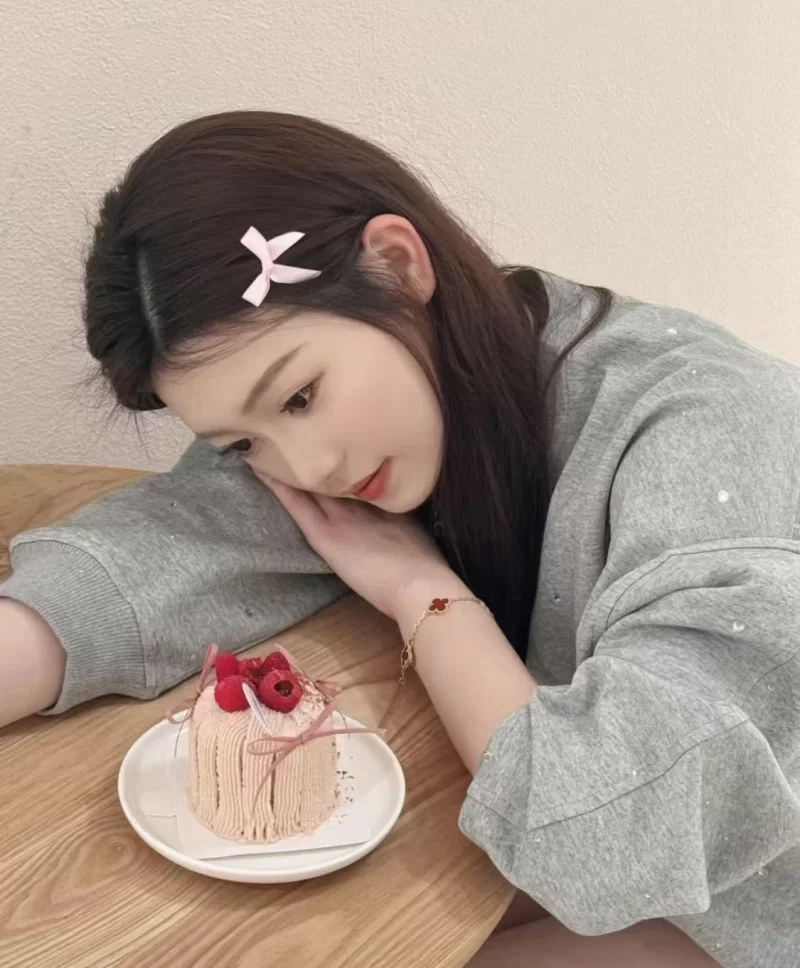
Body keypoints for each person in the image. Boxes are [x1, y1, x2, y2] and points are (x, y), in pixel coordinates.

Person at [1, 111, 798, 968]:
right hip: (571, 851)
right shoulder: (426, 393)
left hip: (743, 908)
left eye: (300, 397)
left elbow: (610, 838)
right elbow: (190, 534)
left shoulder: (706, 429)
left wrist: (424, 593)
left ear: (397, 263)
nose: (309, 466)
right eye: (243, 441)